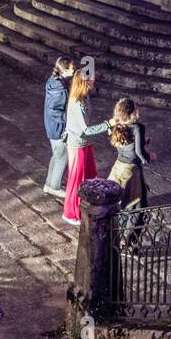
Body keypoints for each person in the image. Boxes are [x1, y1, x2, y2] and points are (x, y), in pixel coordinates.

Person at [62, 72, 111, 227]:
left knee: (90, 175)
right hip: (77, 144)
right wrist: (108, 124)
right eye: (91, 79)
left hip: (85, 143)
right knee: (76, 180)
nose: (94, 80)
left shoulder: (85, 96)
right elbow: (86, 130)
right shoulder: (77, 102)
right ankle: (70, 213)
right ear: (84, 82)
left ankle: (87, 205)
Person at [106, 98, 149, 212]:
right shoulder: (138, 128)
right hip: (131, 169)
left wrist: (143, 141)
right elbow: (139, 153)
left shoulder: (115, 126)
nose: (138, 110)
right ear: (131, 113)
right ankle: (131, 229)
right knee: (134, 204)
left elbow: (126, 144)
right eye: (136, 108)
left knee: (116, 200)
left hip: (118, 167)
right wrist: (148, 158)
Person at [42, 56, 74, 200]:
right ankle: (54, 187)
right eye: (71, 68)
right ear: (65, 69)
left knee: (56, 155)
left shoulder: (53, 81)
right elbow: (55, 111)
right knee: (62, 156)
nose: (73, 70)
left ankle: (50, 184)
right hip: (57, 128)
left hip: (51, 126)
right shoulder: (59, 89)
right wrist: (69, 120)